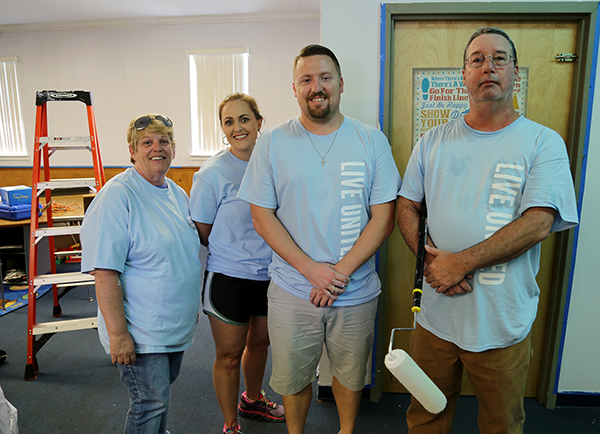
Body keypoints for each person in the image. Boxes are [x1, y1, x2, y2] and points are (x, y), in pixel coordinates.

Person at [397, 27, 579, 434]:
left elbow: (538, 223)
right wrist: (430, 262)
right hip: (435, 316)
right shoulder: (433, 141)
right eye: (477, 59)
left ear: (515, 72)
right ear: (464, 75)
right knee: (426, 415)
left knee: (502, 424)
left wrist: (459, 263)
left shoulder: (542, 143)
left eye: (499, 58)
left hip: (500, 320)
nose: (488, 67)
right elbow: (406, 205)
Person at [238, 44, 402, 434]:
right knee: (293, 378)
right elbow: (262, 216)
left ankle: (346, 431)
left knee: (349, 374)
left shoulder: (371, 140)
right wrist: (312, 271)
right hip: (293, 289)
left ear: (340, 84)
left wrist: (338, 274)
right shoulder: (273, 142)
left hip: (356, 290)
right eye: (306, 79)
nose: (317, 87)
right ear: (294, 88)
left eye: (325, 77)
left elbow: (384, 217)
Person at [81, 114, 202, 434]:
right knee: (149, 402)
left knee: (159, 397)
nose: (156, 148)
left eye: (164, 141)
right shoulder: (117, 195)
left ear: (173, 149)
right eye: (146, 142)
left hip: (171, 324)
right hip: (140, 330)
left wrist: (189, 311)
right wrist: (119, 335)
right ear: (132, 151)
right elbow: (105, 273)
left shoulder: (176, 193)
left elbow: (182, 255)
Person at [189, 93, 284, 434]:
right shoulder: (212, 173)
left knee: (260, 344)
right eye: (229, 122)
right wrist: (236, 250)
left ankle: (253, 399)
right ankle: (231, 425)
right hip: (229, 277)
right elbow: (203, 228)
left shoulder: (275, 162)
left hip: (272, 274)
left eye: (244, 119)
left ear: (259, 123)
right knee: (229, 355)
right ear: (223, 130)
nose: (237, 127)